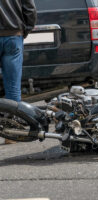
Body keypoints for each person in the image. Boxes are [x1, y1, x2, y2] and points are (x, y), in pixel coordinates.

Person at [0, 0, 37, 144]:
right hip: (13, 36)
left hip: (14, 35)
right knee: (13, 87)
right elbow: (30, 9)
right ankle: (11, 134)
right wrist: (25, 30)